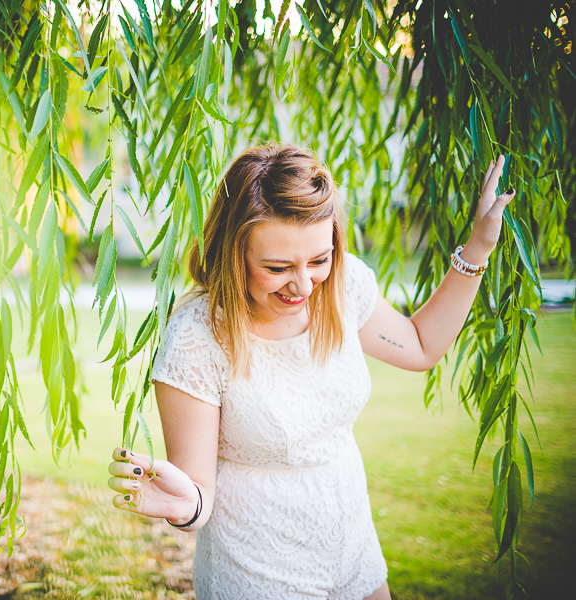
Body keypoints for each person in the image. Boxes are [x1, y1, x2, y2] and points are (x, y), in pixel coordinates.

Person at [106, 143, 514, 600]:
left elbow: (421, 346)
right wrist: (187, 506)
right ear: (234, 252)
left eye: (319, 259)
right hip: (257, 573)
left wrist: (480, 245)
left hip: (354, 552)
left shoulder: (341, 286)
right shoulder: (197, 337)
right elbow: (197, 492)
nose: (303, 284)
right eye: (277, 267)